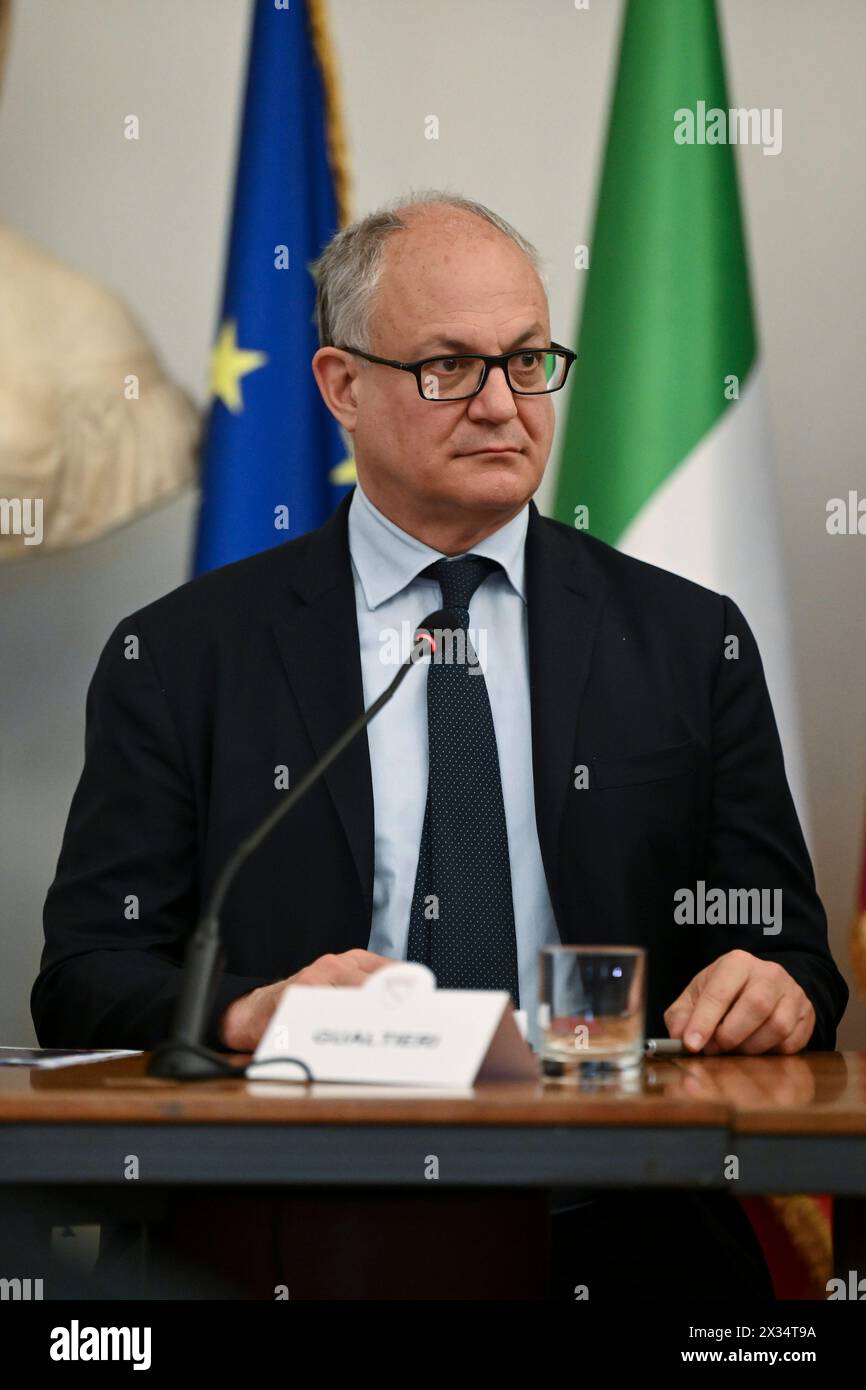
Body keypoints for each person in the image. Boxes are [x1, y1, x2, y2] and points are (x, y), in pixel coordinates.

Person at [33, 191, 848, 1299]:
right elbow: (86, 974)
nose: (501, 405)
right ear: (341, 387)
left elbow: (793, 951)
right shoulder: (182, 656)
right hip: (295, 1231)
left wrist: (775, 985)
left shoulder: (684, 640)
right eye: (448, 367)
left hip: (620, 1230)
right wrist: (243, 1009)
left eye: (525, 360)